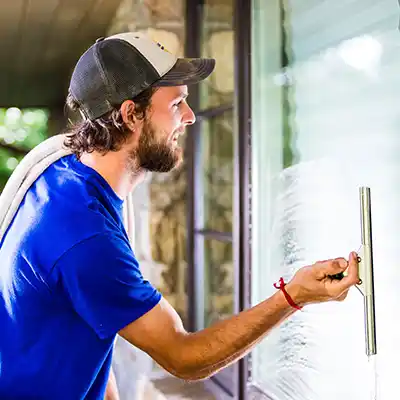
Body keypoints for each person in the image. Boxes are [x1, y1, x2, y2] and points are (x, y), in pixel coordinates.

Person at [0, 32, 360, 400]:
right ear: (130, 114)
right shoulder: (84, 235)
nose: (190, 118)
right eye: (177, 105)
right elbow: (184, 357)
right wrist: (294, 295)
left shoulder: (65, 178)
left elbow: (87, 316)